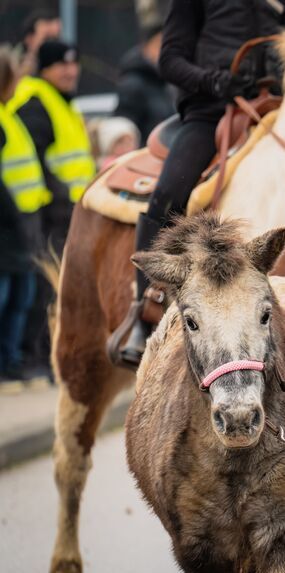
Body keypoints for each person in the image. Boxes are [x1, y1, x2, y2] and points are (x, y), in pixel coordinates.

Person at [112, 0, 285, 368]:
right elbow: (171, 60)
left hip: (280, 108)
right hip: (212, 112)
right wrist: (213, 81)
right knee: (170, 191)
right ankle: (146, 310)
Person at [8, 39, 95, 379]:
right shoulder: (36, 104)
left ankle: (47, 355)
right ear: (45, 69)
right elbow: (38, 162)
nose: (70, 71)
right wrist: (62, 197)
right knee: (44, 287)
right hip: (48, 216)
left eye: (74, 64)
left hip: (69, 214)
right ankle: (33, 357)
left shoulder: (62, 101)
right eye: (62, 65)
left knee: (58, 286)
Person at [0, 46, 51, 381]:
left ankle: (11, 360)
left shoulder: (9, 114)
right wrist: (15, 215)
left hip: (21, 222)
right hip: (9, 224)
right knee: (9, 296)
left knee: (22, 295)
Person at [113, 23, 175, 141]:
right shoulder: (132, 84)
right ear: (145, 47)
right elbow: (124, 132)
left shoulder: (166, 84)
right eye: (158, 44)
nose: (163, 50)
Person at [14, 11, 62, 76]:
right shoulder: (13, 64)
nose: (53, 45)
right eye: (47, 38)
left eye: (55, 39)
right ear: (29, 39)